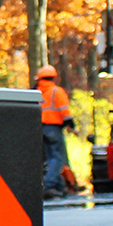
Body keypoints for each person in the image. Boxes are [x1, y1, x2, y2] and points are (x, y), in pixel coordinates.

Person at [36, 65, 74, 197]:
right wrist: (71, 125)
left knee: (49, 158)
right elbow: (65, 111)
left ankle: (59, 187)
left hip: (40, 128)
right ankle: (49, 185)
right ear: (53, 77)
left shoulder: (37, 93)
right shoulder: (56, 91)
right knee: (57, 158)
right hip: (53, 128)